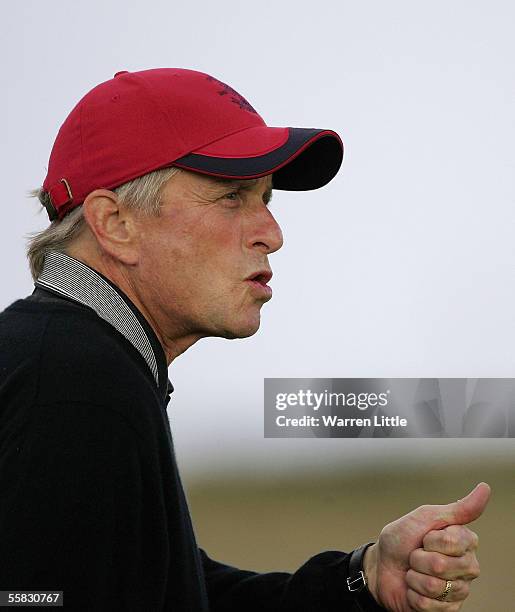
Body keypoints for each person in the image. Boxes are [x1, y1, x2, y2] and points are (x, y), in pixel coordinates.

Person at [0, 68, 489, 612]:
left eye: (265, 198)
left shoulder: (74, 359)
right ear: (116, 223)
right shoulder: (77, 384)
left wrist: (362, 581)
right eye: (232, 197)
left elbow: (167, 591)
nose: (272, 233)